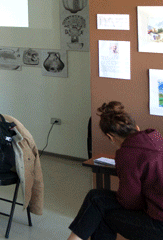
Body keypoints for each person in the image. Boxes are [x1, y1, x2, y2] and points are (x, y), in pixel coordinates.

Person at [68, 102, 163, 240]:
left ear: (111, 137)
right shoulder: (156, 136)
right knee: (95, 198)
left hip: (159, 225)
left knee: (101, 214)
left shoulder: (126, 154)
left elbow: (131, 203)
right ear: (136, 127)